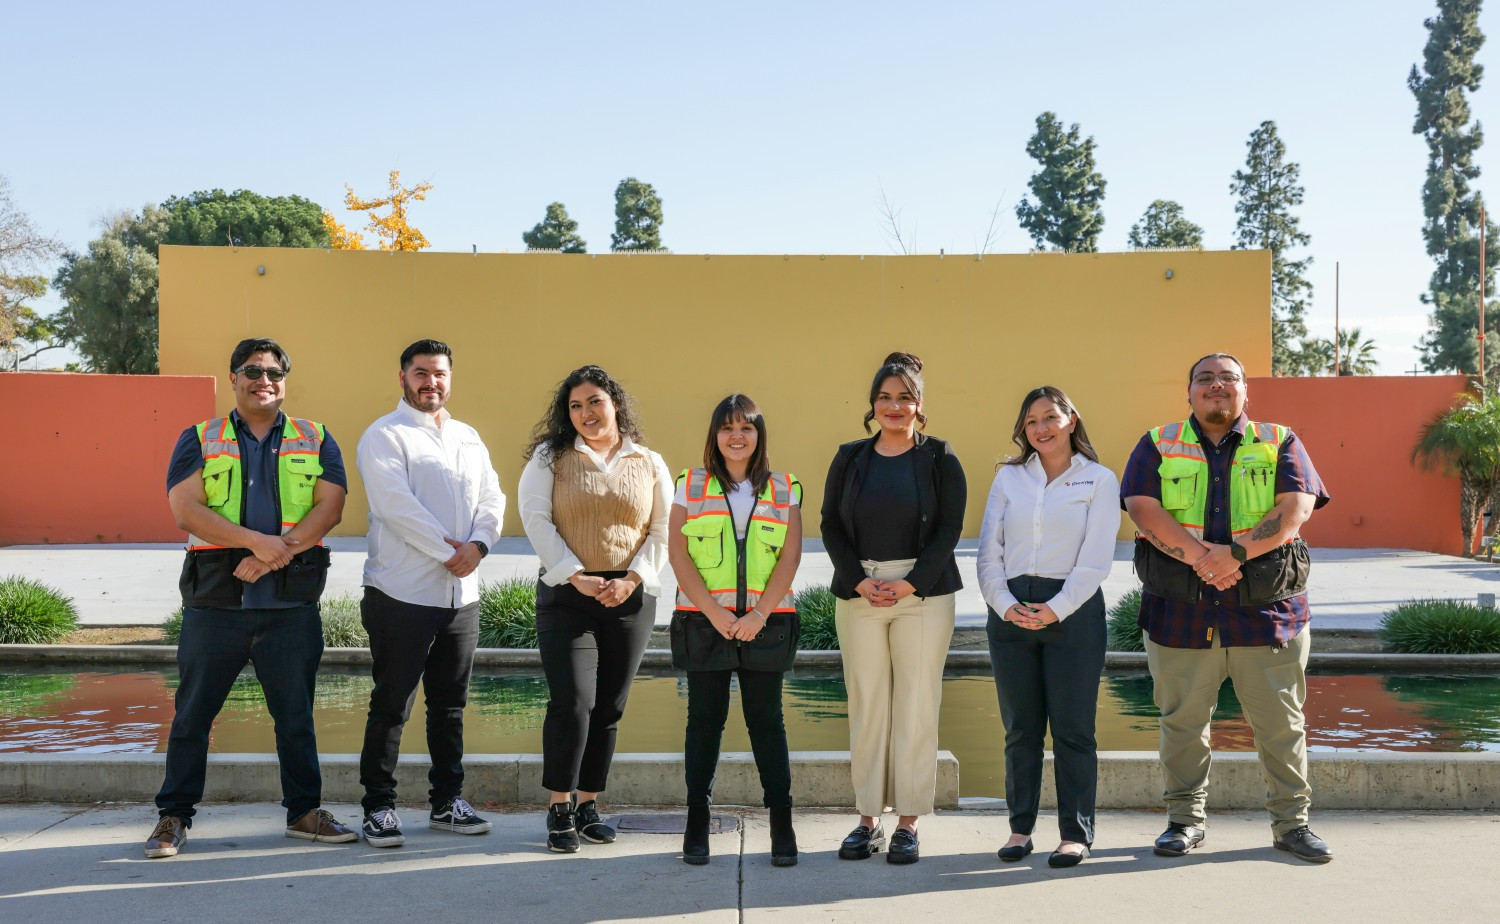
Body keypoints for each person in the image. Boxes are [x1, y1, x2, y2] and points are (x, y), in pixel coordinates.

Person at [147, 337, 354, 858]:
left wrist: (271, 556)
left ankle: (304, 812)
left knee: (296, 718)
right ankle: (173, 817)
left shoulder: (317, 436)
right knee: (193, 716)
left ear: (286, 379)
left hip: (290, 606)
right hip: (217, 604)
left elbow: (329, 509)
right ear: (234, 378)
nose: (265, 380)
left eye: (275, 372)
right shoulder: (199, 437)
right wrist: (255, 542)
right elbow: (185, 510)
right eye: (253, 371)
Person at [1122, 352, 1332, 863]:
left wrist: (1234, 555)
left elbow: (1296, 508)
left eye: (1229, 378)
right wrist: (1204, 559)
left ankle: (1291, 825)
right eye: (1205, 378)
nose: (1217, 385)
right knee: (1181, 724)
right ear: (1189, 392)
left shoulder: (1280, 440)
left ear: (1245, 391)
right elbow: (1143, 509)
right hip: (1181, 613)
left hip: (1265, 614)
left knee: (1282, 726)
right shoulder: (1157, 443)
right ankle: (1184, 821)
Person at [356, 339, 505, 848]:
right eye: (420, 373)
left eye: (439, 373)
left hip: (461, 596)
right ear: (402, 377)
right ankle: (378, 807)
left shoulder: (468, 436)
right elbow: (396, 507)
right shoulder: (384, 436)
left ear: (450, 378)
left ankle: (447, 803)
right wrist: (451, 552)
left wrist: (479, 545)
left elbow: (493, 496)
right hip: (401, 591)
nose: (430, 382)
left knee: (450, 706)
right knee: (392, 703)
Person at [518, 365, 672, 853]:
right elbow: (535, 518)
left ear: (616, 404)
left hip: (630, 597)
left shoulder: (649, 461)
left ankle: (588, 805)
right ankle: (558, 807)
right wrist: (577, 575)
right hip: (567, 595)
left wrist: (633, 579)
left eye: (595, 402)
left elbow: (663, 530)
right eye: (575, 406)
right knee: (573, 702)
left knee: (609, 707)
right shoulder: (551, 456)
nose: (586, 413)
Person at [821, 351, 966, 865]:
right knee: (867, 705)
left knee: (916, 705)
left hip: (922, 596)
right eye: (885, 397)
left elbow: (950, 529)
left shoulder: (940, 458)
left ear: (920, 404)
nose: (895, 406)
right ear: (873, 404)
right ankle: (867, 821)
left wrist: (911, 584)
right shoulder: (849, 457)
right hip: (860, 592)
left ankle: (908, 822)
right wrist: (859, 580)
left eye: (905, 397)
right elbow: (830, 526)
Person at [977, 386, 1119, 868]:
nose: (1041, 427)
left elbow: (1097, 558)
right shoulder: (1009, 478)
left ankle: (1075, 834)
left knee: (1074, 729)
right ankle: (1020, 829)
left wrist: (1056, 608)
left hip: (1074, 612)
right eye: (1032, 420)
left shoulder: (1098, 480)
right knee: (1021, 728)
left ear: (1071, 420)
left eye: (1051, 417)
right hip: (1011, 611)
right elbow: (988, 551)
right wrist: (1002, 603)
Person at [668, 394, 803, 867]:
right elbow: (678, 556)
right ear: (715, 434)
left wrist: (757, 616)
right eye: (727, 427)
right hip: (705, 625)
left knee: (767, 723)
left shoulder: (785, 488)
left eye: (746, 427)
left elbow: (789, 558)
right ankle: (696, 823)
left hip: (767, 625)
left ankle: (782, 825)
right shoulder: (691, 484)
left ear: (759, 434)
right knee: (704, 724)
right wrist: (716, 615)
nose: (737, 436)